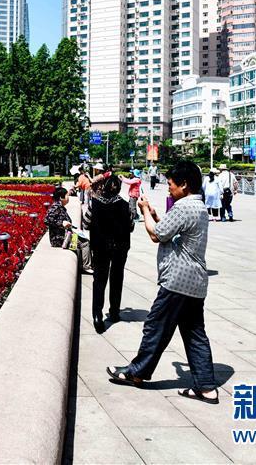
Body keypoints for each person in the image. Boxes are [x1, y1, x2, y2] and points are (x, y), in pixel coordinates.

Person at [106, 160, 219, 405]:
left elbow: (157, 234)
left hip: (178, 280)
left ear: (184, 184)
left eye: (171, 184)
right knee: (195, 334)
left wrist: (145, 211)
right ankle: (207, 387)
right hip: (195, 282)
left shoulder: (183, 206)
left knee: (155, 326)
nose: (169, 188)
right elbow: (173, 232)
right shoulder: (198, 205)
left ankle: (136, 372)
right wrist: (156, 215)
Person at [89, 175, 134, 333]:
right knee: (117, 278)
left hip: (100, 247)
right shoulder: (125, 204)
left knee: (99, 281)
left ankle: (97, 316)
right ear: (119, 189)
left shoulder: (94, 203)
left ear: (104, 187)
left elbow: (86, 222)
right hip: (120, 247)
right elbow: (131, 226)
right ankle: (114, 312)